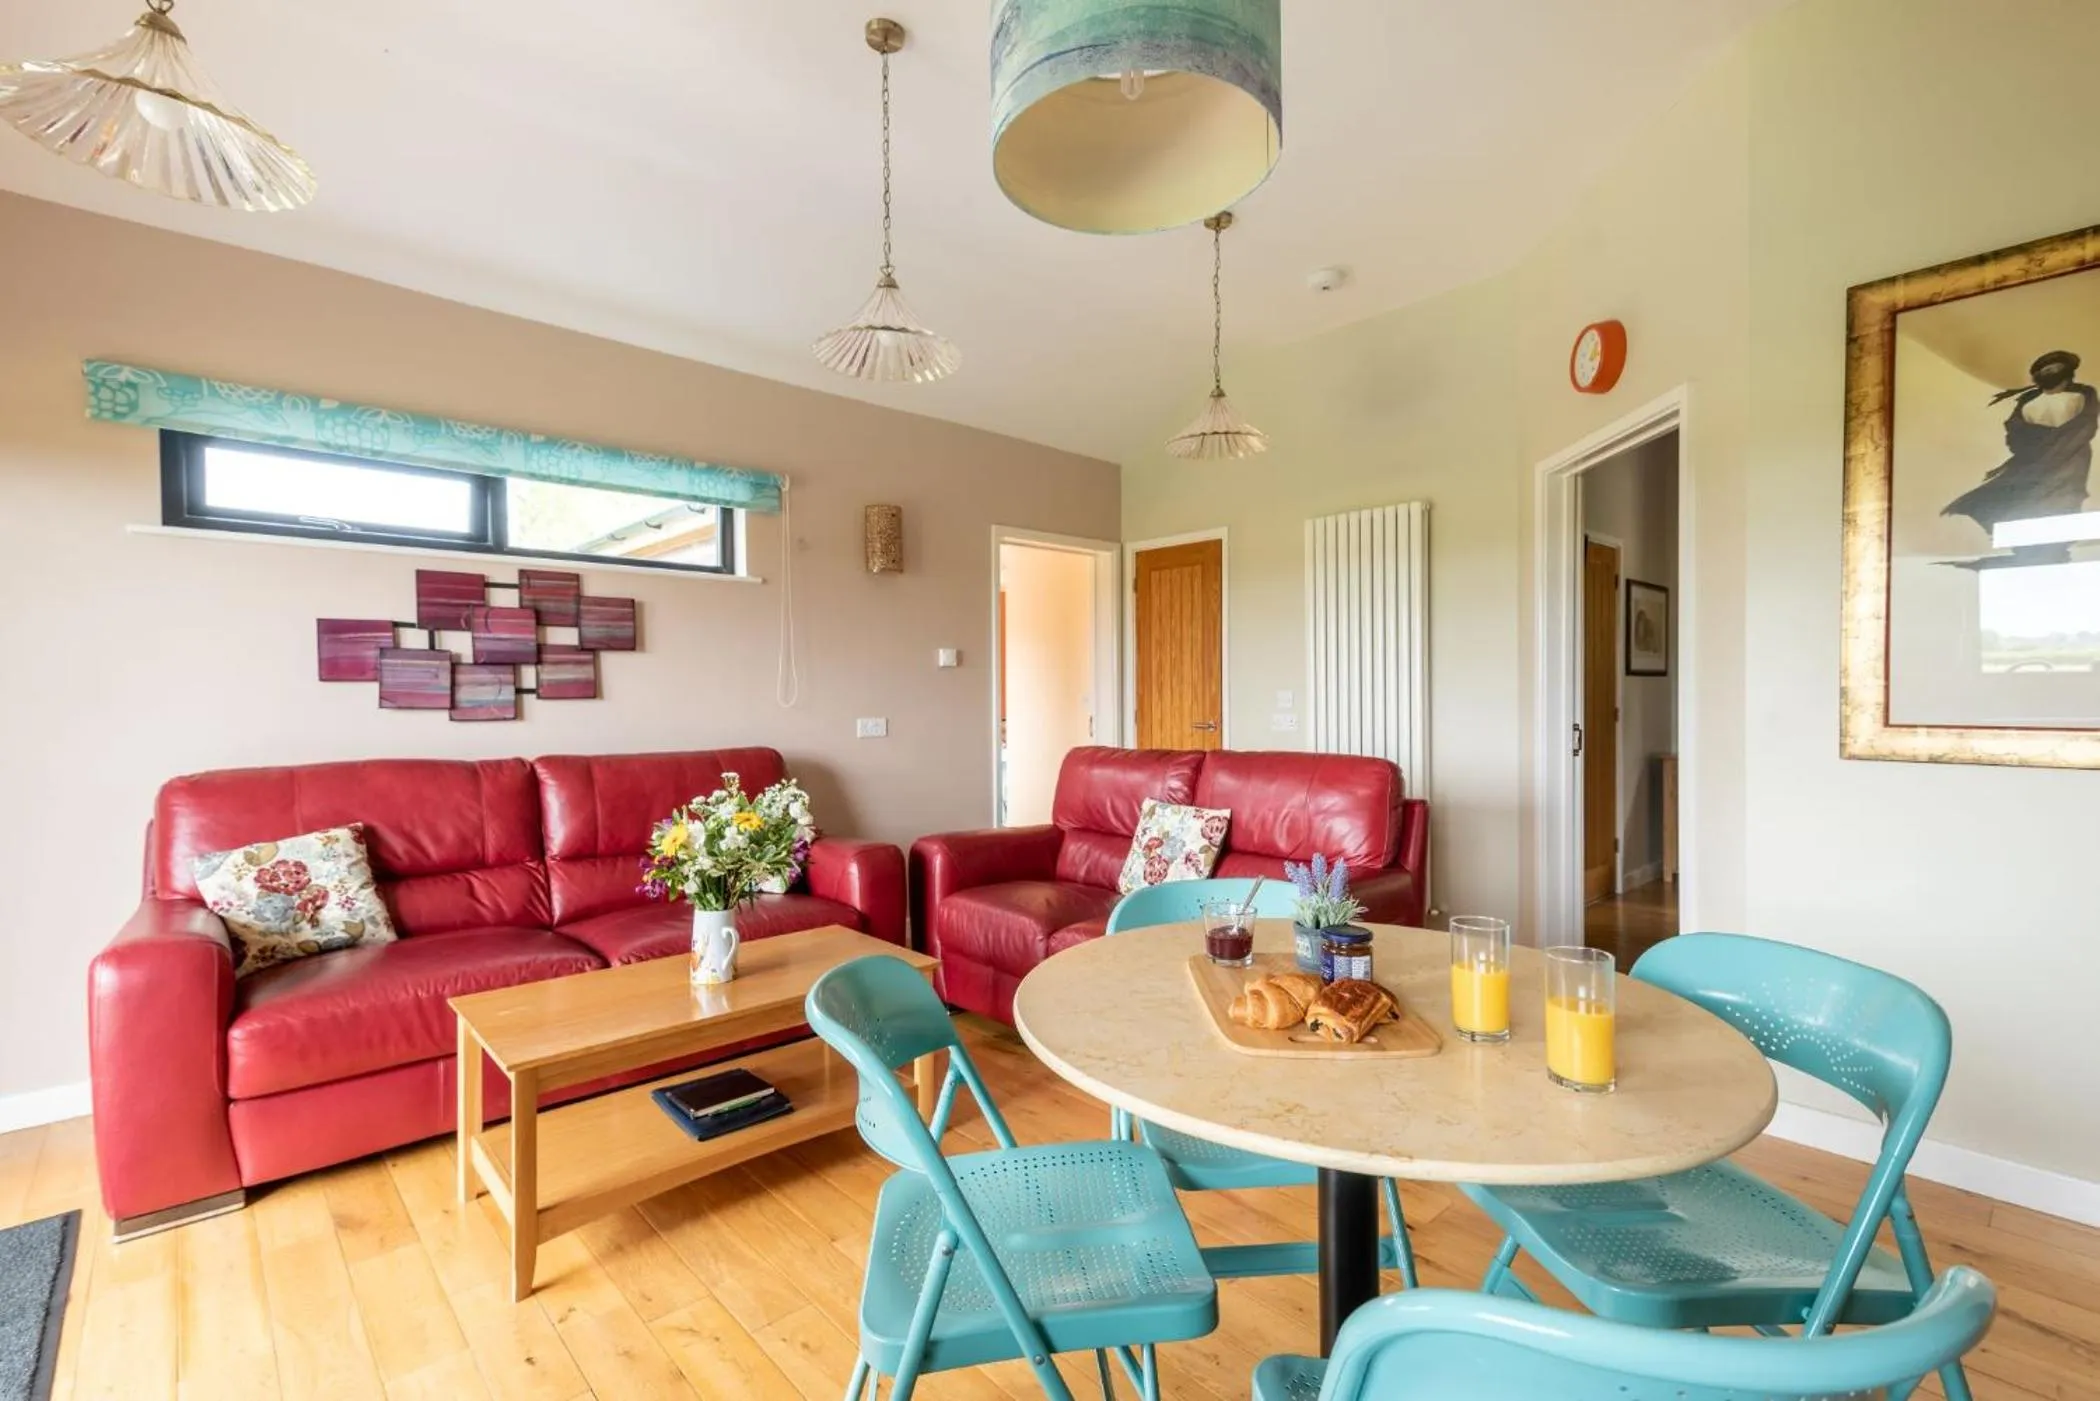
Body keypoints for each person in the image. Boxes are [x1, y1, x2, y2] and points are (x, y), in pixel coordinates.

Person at [1942, 349, 2099, 560]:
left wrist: (2052, 447)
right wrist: (2033, 447)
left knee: (2061, 501)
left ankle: (2055, 551)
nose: (2049, 371)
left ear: (2067, 372)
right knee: (2023, 501)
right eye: (2045, 369)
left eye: (2055, 368)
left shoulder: (2084, 394)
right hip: (2030, 462)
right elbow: (2014, 431)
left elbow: (2084, 426)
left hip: (2069, 459)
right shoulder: (2028, 400)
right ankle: (2027, 550)